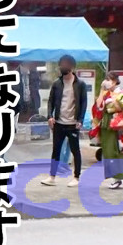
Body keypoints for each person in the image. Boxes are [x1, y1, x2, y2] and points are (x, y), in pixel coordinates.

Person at [41, 55, 87, 187]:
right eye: (61, 64)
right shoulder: (57, 84)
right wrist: (50, 116)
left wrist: (80, 119)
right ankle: (52, 177)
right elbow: (50, 101)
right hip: (59, 123)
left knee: (75, 150)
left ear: (72, 67)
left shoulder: (80, 84)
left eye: (66, 64)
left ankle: (76, 177)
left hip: (73, 123)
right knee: (56, 150)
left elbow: (83, 103)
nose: (63, 67)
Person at [96, 71, 123, 189]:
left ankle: (118, 177)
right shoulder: (106, 93)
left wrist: (114, 103)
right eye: (106, 79)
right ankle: (114, 177)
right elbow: (98, 105)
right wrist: (102, 90)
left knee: (116, 150)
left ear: (115, 81)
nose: (106, 82)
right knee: (108, 151)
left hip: (116, 125)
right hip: (106, 124)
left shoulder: (121, 93)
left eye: (108, 79)